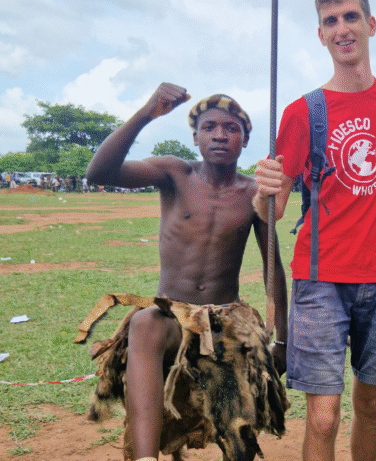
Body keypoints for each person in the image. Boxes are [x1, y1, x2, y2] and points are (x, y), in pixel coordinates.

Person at [254, 0, 376, 461]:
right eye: (331, 21)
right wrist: (262, 188)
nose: (343, 28)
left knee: (371, 403)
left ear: (370, 25)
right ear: (321, 35)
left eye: (351, 17)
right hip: (322, 279)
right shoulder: (302, 112)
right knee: (323, 416)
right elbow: (274, 209)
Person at [82, 82, 289, 461]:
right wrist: (146, 112)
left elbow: (272, 268)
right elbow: (100, 171)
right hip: (172, 315)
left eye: (232, 129)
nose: (220, 135)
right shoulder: (173, 173)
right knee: (144, 322)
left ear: (245, 141)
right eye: (210, 127)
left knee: (237, 425)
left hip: (225, 319)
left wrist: (282, 341)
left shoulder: (254, 194)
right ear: (195, 137)